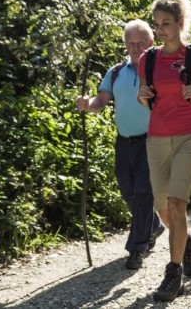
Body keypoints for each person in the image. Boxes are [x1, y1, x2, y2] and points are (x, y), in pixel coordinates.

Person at [136, 0, 191, 302]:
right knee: (162, 207)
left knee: (176, 203)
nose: (160, 30)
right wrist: (143, 95)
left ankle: (174, 274)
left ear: (180, 23)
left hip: (190, 136)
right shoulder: (147, 59)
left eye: (166, 24)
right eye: (157, 24)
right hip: (157, 137)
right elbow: (146, 97)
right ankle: (187, 242)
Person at [75, 20, 165, 270]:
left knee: (144, 193)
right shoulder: (116, 72)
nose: (135, 48)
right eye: (131, 44)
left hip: (152, 141)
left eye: (141, 44)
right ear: (125, 45)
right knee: (128, 191)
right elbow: (101, 100)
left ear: (151, 43)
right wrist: (87, 104)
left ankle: (138, 248)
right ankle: (154, 225)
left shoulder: (160, 71)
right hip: (124, 142)